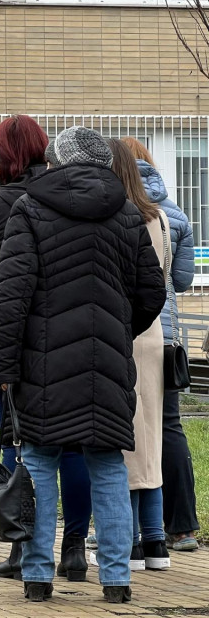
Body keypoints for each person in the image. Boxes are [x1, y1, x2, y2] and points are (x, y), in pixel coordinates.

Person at [0, 126, 166, 604]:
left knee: (41, 460)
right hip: (107, 361)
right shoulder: (127, 213)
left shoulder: (30, 208)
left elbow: (10, 295)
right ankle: (116, 581)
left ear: (57, 161)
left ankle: (38, 577)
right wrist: (116, 330)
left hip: (41, 363)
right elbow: (152, 292)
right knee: (107, 464)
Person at [0, 115, 92, 581]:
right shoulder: (62, 197)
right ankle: (73, 548)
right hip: (67, 336)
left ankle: (21, 547)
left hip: (11, 338)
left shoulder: (0, 204)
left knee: (17, 439)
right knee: (71, 445)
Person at [124, 137, 200, 553]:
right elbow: (185, 280)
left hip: (132, 332)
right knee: (169, 427)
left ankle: (132, 528)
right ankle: (183, 527)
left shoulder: (118, 209)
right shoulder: (175, 215)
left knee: (128, 429)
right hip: (166, 335)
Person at [108, 140, 172, 572]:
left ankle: (129, 542)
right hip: (154, 333)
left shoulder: (120, 219)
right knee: (151, 439)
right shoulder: (162, 218)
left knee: (124, 441)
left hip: (123, 330)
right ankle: (156, 542)